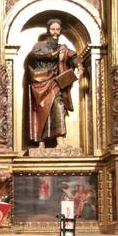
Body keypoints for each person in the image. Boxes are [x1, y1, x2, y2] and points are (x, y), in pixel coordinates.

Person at [26, 19, 77, 147]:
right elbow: (35, 55)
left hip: (55, 82)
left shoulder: (62, 48)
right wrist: (53, 54)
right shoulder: (39, 45)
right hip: (40, 81)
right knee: (42, 110)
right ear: (48, 30)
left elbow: (74, 57)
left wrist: (80, 66)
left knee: (58, 106)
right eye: (53, 29)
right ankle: (41, 142)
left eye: (58, 29)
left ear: (60, 31)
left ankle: (60, 140)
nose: (55, 32)